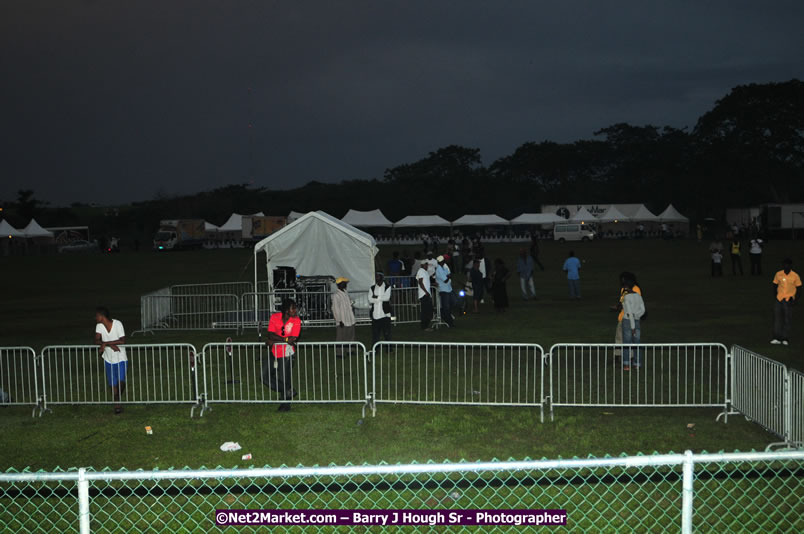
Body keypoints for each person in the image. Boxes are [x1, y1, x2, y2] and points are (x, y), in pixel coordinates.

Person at [264, 299, 301, 412]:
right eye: (292, 308)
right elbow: (270, 334)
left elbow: (293, 339)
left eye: (295, 308)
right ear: (286, 310)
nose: (295, 310)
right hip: (274, 351)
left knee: (284, 378)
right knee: (264, 376)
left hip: (287, 353)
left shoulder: (296, 320)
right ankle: (289, 390)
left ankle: (285, 404)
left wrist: (276, 340)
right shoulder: (274, 317)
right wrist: (285, 339)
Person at [95, 307, 127, 414]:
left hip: (120, 357)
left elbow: (122, 341)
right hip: (108, 358)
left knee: (121, 381)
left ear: (102, 316)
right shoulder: (99, 326)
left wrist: (107, 344)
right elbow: (96, 340)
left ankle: (117, 398)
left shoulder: (118, 324)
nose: (96, 318)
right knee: (112, 382)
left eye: (97, 316)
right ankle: (117, 405)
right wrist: (107, 344)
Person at [771, 258, 801, 346]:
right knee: (777, 319)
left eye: (787, 265)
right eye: (784, 265)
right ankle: (776, 338)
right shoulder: (778, 274)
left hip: (789, 300)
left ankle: (785, 338)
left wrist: (795, 299)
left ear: (791, 266)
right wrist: (776, 296)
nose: (786, 267)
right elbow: (775, 285)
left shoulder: (795, 276)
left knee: (787, 320)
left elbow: (799, 289)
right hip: (779, 299)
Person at [612, 272, 642, 357]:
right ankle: (617, 355)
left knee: (629, 339)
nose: (622, 281)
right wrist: (617, 306)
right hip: (622, 317)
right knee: (619, 337)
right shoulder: (623, 289)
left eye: (623, 279)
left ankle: (630, 356)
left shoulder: (636, 289)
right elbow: (622, 300)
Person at [621, 277, 646, 370]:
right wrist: (637, 316)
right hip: (637, 320)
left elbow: (629, 313)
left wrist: (632, 327)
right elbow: (643, 310)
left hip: (628, 321)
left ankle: (626, 364)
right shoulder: (638, 296)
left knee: (626, 343)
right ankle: (637, 364)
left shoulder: (626, 297)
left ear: (626, 287)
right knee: (637, 343)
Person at [331, 277, 356, 358]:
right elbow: (335, 309)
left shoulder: (345, 293)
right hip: (342, 319)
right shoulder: (336, 295)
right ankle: (339, 353)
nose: (346, 284)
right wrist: (339, 320)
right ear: (340, 284)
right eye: (344, 283)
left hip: (349, 318)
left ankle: (350, 350)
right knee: (341, 337)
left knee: (350, 335)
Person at [368, 272, 393, 345]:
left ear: (382, 277)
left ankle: (389, 349)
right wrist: (380, 297)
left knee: (387, 333)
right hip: (375, 315)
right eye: (376, 276)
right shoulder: (372, 288)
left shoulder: (387, 287)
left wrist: (376, 297)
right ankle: (375, 350)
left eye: (378, 276)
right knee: (375, 335)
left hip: (385, 314)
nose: (376, 278)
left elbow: (386, 298)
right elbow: (370, 299)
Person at [435, 255, 455, 327]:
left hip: (449, 288)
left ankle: (444, 313)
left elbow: (450, 275)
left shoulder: (444, 266)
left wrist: (449, 276)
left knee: (454, 302)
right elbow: (446, 280)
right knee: (446, 306)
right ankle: (449, 321)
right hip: (443, 290)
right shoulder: (438, 269)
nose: (444, 262)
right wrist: (448, 276)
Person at [416, 259, 434, 331]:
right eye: (426, 264)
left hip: (426, 294)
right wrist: (426, 292)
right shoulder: (421, 271)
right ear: (422, 265)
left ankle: (425, 326)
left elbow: (425, 282)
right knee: (426, 311)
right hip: (424, 294)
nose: (427, 266)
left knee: (427, 310)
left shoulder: (425, 272)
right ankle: (425, 326)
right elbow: (420, 282)